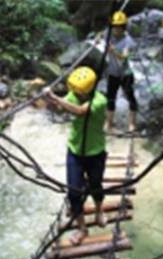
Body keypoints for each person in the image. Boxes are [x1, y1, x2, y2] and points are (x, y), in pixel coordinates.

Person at [44, 67, 108, 245]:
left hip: (95, 151)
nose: (75, 95)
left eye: (79, 93)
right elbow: (60, 109)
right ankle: (82, 228)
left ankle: (99, 210)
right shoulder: (74, 96)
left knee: (95, 185)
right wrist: (49, 100)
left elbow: (80, 111)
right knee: (73, 193)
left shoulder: (100, 100)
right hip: (75, 151)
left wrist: (55, 97)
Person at [104, 10, 138, 134]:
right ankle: (108, 123)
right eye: (115, 27)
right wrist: (97, 39)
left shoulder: (128, 40)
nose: (117, 30)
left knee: (131, 98)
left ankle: (131, 124)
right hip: (112, 73)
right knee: (110, 99)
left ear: (124, 27)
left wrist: (114, 51)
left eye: (119, 27)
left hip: (126, 74)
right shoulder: (108, 34)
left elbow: (124, 57)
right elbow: (99, 36)